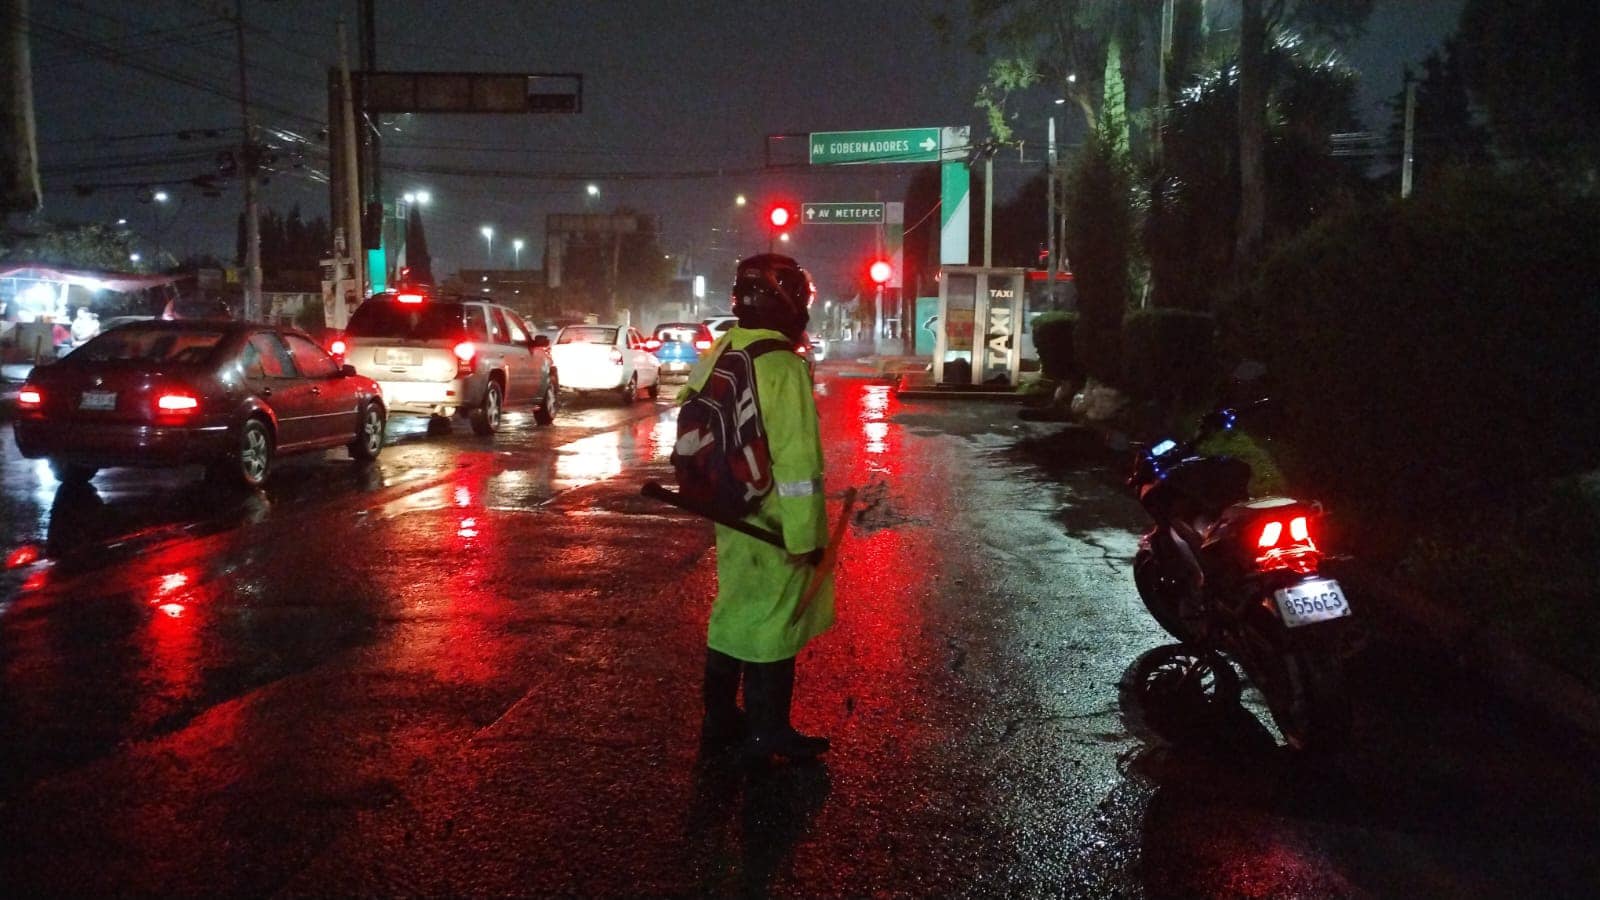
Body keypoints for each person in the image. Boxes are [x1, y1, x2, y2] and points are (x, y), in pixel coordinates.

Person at [683, 253, 834, 762]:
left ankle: (720, 719)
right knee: (775, 621)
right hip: (772, 519)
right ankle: (769, 732)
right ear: (789, 302)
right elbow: (797, 461)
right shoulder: (782, 366)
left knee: (734, 609)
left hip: (731, 509)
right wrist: (807, 538)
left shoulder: (726, 348)